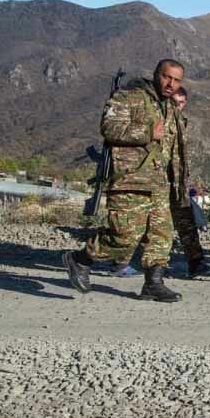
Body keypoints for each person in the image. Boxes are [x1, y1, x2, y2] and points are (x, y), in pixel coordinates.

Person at [63, 59, 184, 302]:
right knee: (123, 236)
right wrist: (147, 133)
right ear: (156, 74)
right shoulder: (129, 97)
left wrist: (178, 180)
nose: (170, 84)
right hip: (131, 179)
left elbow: (173, 149)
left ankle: (153, 283)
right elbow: (109, 127)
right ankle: (80, 260)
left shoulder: (170, 107)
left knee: (161, 236)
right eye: (166, 77)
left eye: (176, 80)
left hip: (159, 183)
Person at [166, 86, 210, 278]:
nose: (178, 106)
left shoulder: (182, 122)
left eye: (182, 103)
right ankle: (117, 260)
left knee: (187, 222)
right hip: (159, 181)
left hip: (178, 182)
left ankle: (196, 262)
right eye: (175, 102)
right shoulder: (161, 120)